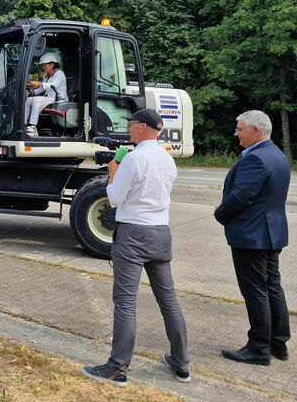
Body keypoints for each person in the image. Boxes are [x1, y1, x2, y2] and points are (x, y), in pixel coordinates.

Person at [83, 108, 189, 387]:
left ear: (142, 127)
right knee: (169, 301)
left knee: (126, 303)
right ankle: (181, 363)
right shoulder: (168, 159)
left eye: (131, 125)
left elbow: (115, 198)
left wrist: (113, 171)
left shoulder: (133, 159)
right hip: (161, 233)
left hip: (133, 234)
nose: (128, 129)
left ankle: (117, 367)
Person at [214, 110, 290, 366]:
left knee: (256, 291)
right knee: (272, 287)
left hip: (252, 235)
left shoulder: (256, 158)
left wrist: (220, 213)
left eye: (239, 129)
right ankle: (277, 343)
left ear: (256, 131)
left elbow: (241, 196)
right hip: (271, 232)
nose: (236, 134)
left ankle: (258, 348)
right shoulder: (277, 155)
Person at [24, 52, 67, 137]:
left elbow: (53, 86)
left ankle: (33, 127)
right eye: (42, 65)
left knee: (36, 100)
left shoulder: (59, 74)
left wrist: (39, 83)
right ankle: (24, 124)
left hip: (58, 100)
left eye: (44, 65)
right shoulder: (46, 76)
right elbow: (43, 88)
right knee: (28, 100)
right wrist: (33, 92)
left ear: (52, 64)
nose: (43, 67)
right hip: (48, 99)